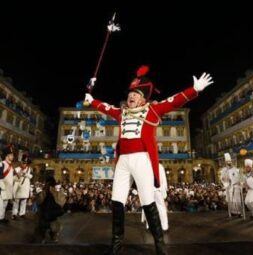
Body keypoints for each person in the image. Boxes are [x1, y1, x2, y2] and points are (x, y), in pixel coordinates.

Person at [84, 66, 213, 255]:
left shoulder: (152, 110)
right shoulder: (122, 113)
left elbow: (174, 101)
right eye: (130, 94)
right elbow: (106, 108)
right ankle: (116, 245)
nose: (131, 97)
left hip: (141, 160)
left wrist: (195, 90)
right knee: (117, 201)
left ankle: (159, 244)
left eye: (135, 94)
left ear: (143, 99)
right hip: (123, 162)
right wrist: (92, 100)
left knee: (147, 201)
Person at [32, 176, 66, 243]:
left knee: (41, 222)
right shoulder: (58, 193)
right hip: (53, 217)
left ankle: (44, 236)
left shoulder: (44, 193)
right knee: (54, 223)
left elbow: (38, 202)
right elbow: (62, 203)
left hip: (45, 218)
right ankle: (53, 235)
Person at [141, 163, 168, 231]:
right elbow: (164, 179)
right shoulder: (159, 166)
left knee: (149, 207)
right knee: (160, 208)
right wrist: (163, 190)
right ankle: (164, 226)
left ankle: (151, 225)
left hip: (152, 190)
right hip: (155, 189)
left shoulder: (146, 165)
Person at [220, 153, 242, 217]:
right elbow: (222, 178)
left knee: (237, 200)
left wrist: (237, 182)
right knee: (230, 200)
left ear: (231, 162)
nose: (228, 163)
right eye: (227, 161)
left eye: (229, 161)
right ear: (225, 162)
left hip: (235, 186)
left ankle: (239, 212)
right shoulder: (224, 170)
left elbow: (239, 177)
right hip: (229, 187)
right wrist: (225, 180)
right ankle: (232, 211)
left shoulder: (235, 169)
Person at [12, 154, 33, 220]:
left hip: (25, 186)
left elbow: (31, 176)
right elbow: (13, 178)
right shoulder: (16, 169)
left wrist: (25, 174)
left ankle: (22, 213)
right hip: (18, 186)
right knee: (16, 201)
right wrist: (18, 175)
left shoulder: (29, 169)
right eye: (23, 162)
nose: (24, 164)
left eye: (25, 163)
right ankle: (14, 214)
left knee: (24, 201)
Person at [0, 144, 15, 224]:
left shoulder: (11, 166)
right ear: (6, 155)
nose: (12, 156)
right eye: (11, 155)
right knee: (0, 204)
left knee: (4, 204)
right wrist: (2, 186)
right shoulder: (2, 164)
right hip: (2, 188)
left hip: (8, 188)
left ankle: (1, 218)